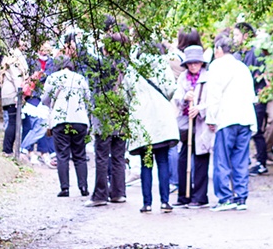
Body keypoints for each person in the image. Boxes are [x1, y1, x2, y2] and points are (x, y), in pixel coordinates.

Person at [201, 34, 256, 211]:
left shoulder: (217, 66)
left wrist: (211, 118)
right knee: (240, 159)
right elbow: (251, 94)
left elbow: (214, 95)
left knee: (222, 159)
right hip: (246, 117)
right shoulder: (242, 67)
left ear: (218, 49)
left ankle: (225, 197)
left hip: (226, 118)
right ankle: (241, 197)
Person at [126, 46, 180, 212]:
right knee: (162, 161)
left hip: (142, 119)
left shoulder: (132, 69)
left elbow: (125, 93)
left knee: (146, 163)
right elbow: (171, 89)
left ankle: (147, 203)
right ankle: (165, 202)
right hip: (161, 118)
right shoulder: (163, 65)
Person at [86, 23, 131, 206]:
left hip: (104, 116)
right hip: (122, 116)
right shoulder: (127, 66)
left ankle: (100, 195)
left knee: (102, 156)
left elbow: (94, 90)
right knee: (119, 156)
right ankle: (118, 192)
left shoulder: (102, 65)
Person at [42, 54, 92, 197]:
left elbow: (45, 98)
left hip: (60, 119)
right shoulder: (80, 78)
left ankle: (65, 188)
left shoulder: (53, 78)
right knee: (80, 155)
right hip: (79, 119)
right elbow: (87, 98)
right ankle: (83, 187)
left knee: (62, 155)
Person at [174, 43, 213, 207]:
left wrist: (199, 109)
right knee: (183, 159)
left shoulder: (208, 77)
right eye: (190, 63)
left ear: (202, 63)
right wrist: (185, 98)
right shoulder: (183, 77)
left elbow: (212, 101)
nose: (193, 66)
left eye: (196, 62)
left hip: (202, 125)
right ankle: (183, 195)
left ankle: (199, 196)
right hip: (186, 125)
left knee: (201, 158)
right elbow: (177, 97)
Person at [235, 22, 271, 176]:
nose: (234, 38)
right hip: (239, 98)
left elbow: (261, 77)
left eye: (237, 35)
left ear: (246, 36)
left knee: (257, 131)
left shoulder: (256, 54)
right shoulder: (236, 55)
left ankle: (261, 162)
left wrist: (257, 96)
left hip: (255, 98)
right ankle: (245, 161)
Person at [0, 41, 30, 156]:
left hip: (13, 92)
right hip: (13, 93)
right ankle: (7, 149)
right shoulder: (14, 56)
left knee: (15, 122)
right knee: (13, 122)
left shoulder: (16, 55)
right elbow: (17, 77)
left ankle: (9, 149)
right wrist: (20, 93)